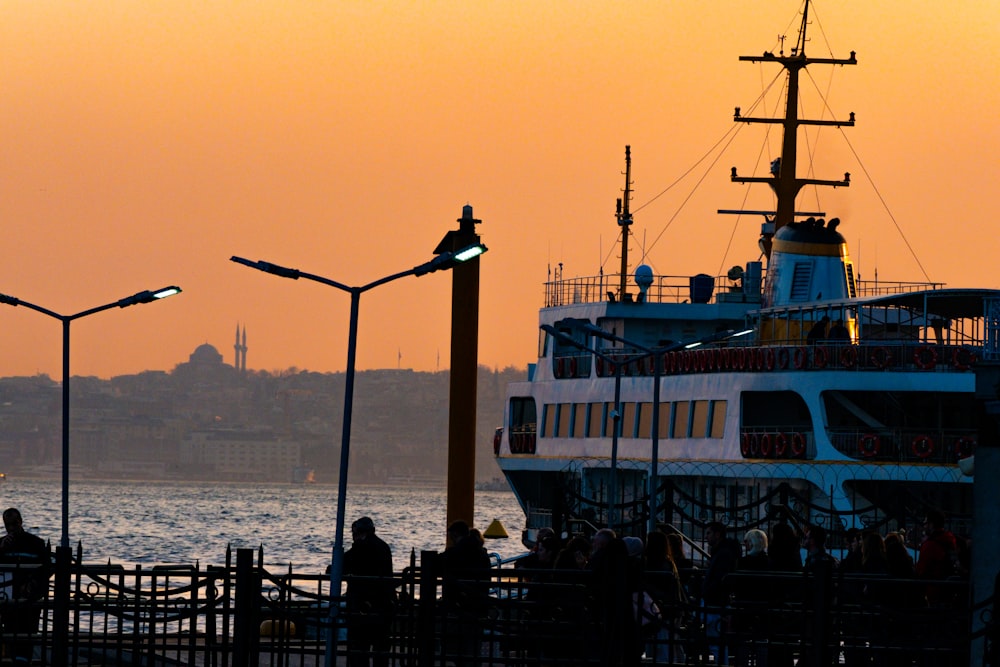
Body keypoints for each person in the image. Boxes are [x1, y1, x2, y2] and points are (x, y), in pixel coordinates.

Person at [342, 516, 395, 667]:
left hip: (363, 605)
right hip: (383, 604)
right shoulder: (383, 547)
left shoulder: (360, 548)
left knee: (359, 649)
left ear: (358, 532)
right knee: (381, 649)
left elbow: (342, 565)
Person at [0, 508, 51, 664]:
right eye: (8, 525)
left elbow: (47, 569)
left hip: (30, 599)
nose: (12, 528)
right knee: (11, 633)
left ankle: (23, 660)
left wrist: (33, 584)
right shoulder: (1, 544)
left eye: (14, 523)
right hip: (8, 598)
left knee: (27, 634)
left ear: (21, 522)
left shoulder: (35, 543)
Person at [701, 522, 740, 665]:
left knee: (716, 644)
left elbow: (720, 579)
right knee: (717, 644)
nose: (706, 537)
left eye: (708, 533)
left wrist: (708, 589)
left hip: (716, 602)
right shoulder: (723, 552)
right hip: (717, 601)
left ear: (718, 535)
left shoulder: (722, 554)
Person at [915, 509, 958, 606]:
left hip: (933, 593)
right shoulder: (950, 540)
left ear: (931, 524)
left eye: (925, 523)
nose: (924, 526)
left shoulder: (929, 545)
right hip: (949, 591)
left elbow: (921, 571)